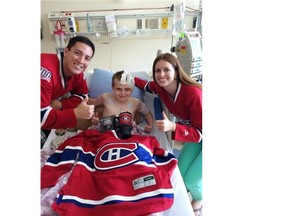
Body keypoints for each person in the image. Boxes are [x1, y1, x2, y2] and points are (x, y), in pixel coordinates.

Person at [133, 53, 202, 216]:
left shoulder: (193, 94)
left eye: (166, 70)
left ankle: (199, 199)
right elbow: (146, 85)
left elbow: (200, 133)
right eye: (157, 71)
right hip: (194, 132)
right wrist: (128, 78)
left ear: (176, 71)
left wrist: (173, 126)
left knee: (192, 180)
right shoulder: (161, 88)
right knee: (180, 173)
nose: (161, 75)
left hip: (200, 133)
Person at [41, 36, 96, 147]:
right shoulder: (44, 71)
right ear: (66, 51)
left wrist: (62, 104)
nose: (81, 61)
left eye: (87, 58)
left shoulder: (77, 73)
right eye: (77, 53)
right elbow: (40, 117)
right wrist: (75, 113)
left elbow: (82, 96)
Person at [88, 70, 154, 134]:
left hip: (126, 135)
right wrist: (95, 120)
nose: (123, 93)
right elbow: (91, 104)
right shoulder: (105, 97)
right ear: (113, 88)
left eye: (127, 89)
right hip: (106, 134)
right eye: (119, 89)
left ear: (132, 89)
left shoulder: (136, 103)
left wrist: (150, 125)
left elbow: (148, 114)